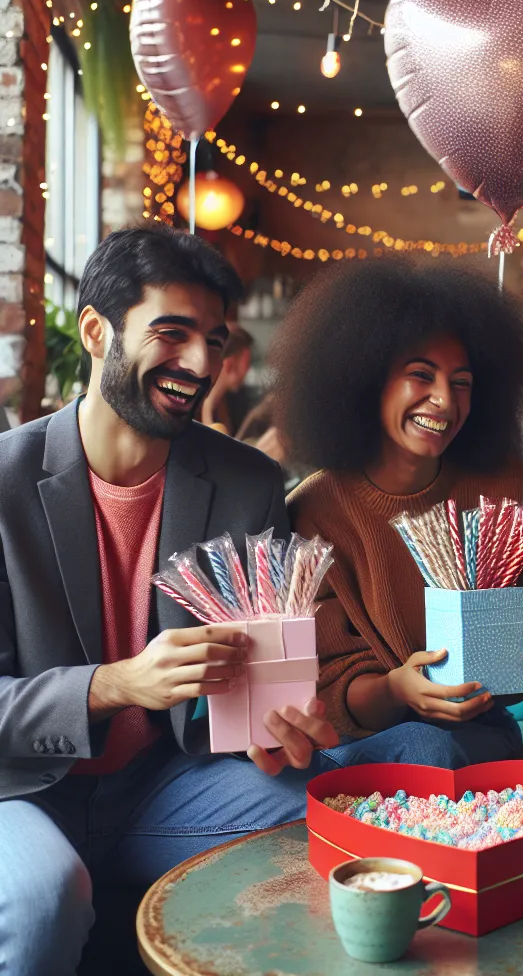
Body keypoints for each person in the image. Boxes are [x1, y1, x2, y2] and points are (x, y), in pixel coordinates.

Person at [0, 226, 337, 976]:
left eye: (214, 341)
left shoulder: (247, 483)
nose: (199, 365)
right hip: (21, 791)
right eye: (171, 333)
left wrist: (274, 725)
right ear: (96, 331)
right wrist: (117, 684)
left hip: (167, 789)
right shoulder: (4, 484)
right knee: (44, 890)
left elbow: (251, 689)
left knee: (353, 804)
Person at [275, 259, 523, 770]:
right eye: (420, 374)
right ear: (366, 378)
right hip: (363, 742)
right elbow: (328, 692)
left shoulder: (504, 490)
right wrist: (396, 690)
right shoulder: (314, 511)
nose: (444, 400)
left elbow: (506, 675)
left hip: (480, 733)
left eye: (461, 382)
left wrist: (520, 664)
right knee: (426, 748)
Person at [200, 324, 255, 435]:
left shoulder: (225, 402)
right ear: (229, 365)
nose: (247, 370)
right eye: (246, 363)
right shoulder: (197, 405)